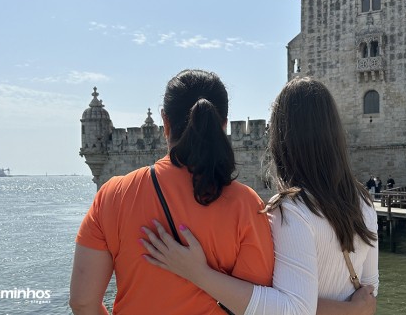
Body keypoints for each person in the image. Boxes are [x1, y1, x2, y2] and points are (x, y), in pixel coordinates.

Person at [141, 77, 379, 315]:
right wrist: (354, 310)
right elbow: (369, 291)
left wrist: (199, 274)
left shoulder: (290, 211)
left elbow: (295, 309)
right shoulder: (364, 202)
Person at [69, 69, 275, 314]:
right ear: (223, 125)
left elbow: (82, 302)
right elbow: (259, 306)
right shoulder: (247, 205)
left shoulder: (113, 195)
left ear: (164, 122)